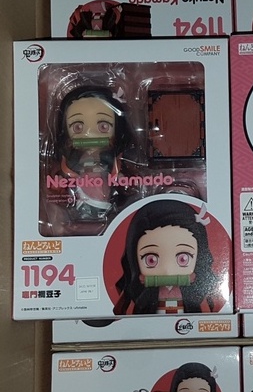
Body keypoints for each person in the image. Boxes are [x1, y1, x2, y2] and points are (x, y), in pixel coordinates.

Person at [113, 199, 220, 315]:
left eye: (183, 259)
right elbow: (141, 302)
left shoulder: (189, 293)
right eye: (151, 260)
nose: (167, 270)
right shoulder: (150, 293)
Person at [55, 85, 132, 220]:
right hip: (81, 190)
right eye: (78, 127)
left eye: (103, 126)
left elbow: (121, 175)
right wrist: (62, 181)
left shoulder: (114, 159)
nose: (90, 134)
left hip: (103, 190)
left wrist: (121, 179)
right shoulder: (70, 160)